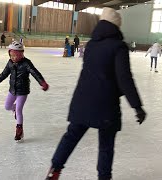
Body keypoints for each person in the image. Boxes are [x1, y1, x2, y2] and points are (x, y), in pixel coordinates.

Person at [45, 7, 146, 180]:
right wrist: (137, 106)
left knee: (71, 136)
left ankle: (55, 169)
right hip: (106, 105)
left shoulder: (91, 44)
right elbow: (124, 78)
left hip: (82, 100)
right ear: (117, 27)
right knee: (106, 145)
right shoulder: (118, 46)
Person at [0, 41, 49, 142]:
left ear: (21, 54)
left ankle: (19, 130)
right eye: (11, 55)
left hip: (23, 91)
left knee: (19, 111)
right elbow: (4, 74)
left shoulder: (26, 63)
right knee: (7, 106)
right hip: (12, 90)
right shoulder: (10, 63)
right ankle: (14, 109)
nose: (13, 58)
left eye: (16, 55)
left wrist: (42, 82)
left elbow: (35, 73)